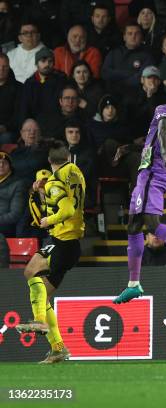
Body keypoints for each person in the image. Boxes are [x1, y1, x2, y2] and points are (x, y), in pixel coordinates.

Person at [113, 79, 166, 304]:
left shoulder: (164, 109)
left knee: (151, 224)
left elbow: (163, 128)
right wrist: (131, 148)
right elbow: (159, 145)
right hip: (153, 172)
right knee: (133, 225)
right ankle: (134, 283)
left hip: (152, 172)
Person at [15, 141, 85, 364]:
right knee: (37, 285)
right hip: (65, 240)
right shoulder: (76, 172)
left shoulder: (55, 182)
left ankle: (40, 323)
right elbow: (65, 200)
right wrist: (43, 194)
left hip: (64, 241)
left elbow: (66, 209)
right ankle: (58, 348)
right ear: (68, 156)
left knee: (34, 279)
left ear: (49, 161)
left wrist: (48, 220)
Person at [101, 23, 155, 95]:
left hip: (136, 97)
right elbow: (105, 73)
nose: (133, 36)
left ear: (141, 37)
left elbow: (140, 79)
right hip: (112, 95)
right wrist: (130, 73)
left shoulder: (147, 56)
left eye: (137, 34)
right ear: (124, 37)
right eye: (130, 33)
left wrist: (116, 77)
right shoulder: (114, 53)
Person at [19, 47, 67, 126]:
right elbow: (24, 108)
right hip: (35, 124)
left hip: (58, 122)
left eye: (50, 61)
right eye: (43, 61)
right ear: (36, 64)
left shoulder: (61, 79)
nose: (47, 64)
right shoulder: (30, 83)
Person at [10, 119, 48, 184]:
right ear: (22, 133)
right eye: (28, 130)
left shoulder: (46, 152)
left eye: (35, 130)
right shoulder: (14, 152)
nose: (32, 133)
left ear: (40, 133)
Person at [0, 151, 27, 238]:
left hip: (5, 228)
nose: (1, 165)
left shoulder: (18, 184)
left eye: (4, 163)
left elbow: (15, 214)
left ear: (10, 166)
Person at [0, 53, 23, 143]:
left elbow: (19, 115)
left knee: (5, 138)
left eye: (4, 66)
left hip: (9, 130)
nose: (1, 69)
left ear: (9, 67)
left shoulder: (19, 88)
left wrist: (5, 127)